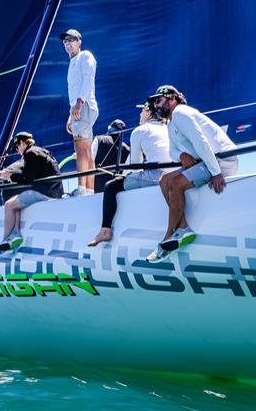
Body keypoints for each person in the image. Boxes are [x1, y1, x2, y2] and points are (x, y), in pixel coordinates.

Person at [146, 85, 238, 263]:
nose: (156, 106)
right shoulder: (172, 122)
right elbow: (172, 150)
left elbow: (201, 142)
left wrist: (216, 173)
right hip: (206, 161)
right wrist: (181, 155)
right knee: (164, 180)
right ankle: (183, 228)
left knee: (174, 184)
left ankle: (168, 237)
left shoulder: (181, 113)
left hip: (222, 161)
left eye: (158, 100)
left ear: (172, 98)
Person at [88, 101, 172, 247]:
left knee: (111, 186)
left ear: (148, 112)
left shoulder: (139, 130)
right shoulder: (170, 128)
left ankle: (105, 230)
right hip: (174, 173)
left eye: (142, 111)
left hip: (156, 176)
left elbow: (135, 165)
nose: (139, 115)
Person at [0, 132, 63, 255]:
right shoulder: (41, 151)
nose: (17, 151)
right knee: (17, 202)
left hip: (45, 192)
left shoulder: (30, 153)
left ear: (21, 143)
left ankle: (5, 240)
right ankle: (16, 233)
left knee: (9, 204)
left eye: (16, 147)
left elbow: (27, 180)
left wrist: (8, 176)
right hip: (55, 191)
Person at [60, 28, 98, 197]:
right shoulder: (72, 62)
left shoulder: (85, 56)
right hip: (79, 107)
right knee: (87, 149)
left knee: (80, 146)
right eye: (65, 41)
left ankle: (81, 188)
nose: (68, 43)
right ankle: (89, 189)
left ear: (79, 41)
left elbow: (89, 78)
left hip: (84, 105)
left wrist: (79, 103)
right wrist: (71, 115)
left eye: (71, 39)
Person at [92, 119, 130, 192]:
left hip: (96, 190)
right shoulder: (127, 150)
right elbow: (125, 174)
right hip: (117, 192)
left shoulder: (99, 139)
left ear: (109, 128)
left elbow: (89, 161)